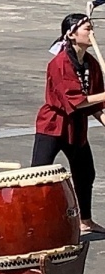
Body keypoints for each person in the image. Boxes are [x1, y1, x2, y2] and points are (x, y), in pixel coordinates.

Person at [33, 13, 105, 234]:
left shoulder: (90, 63)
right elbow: (77, 100)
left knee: (85, 172)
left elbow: (94, 101)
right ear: (71, 34)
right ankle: (34, 224)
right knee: (39, 176)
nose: (91, 33)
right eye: (87, 29)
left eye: (92, 28)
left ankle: (85, 220)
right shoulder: (60, 63)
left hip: (77, 126)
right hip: (53, 124)